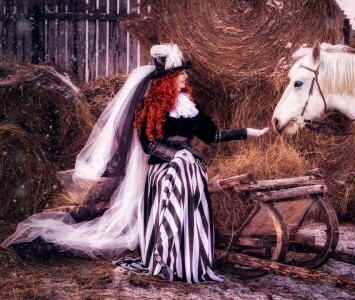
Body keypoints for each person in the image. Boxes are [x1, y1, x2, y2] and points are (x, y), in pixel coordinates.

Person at [1, 43, 268, 284]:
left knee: (190, 183)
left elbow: (213, 135)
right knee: (178, 178)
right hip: (163, 169)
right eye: (180, 73)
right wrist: (175, 157)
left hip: (189, 168)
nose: (186, 76)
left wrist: (246, 132)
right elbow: (148, 144)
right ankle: (165, 257)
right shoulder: (151, 107)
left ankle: (189, 259)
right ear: (167, 79)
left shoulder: (190, 106)